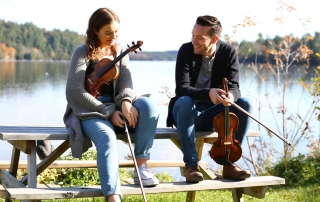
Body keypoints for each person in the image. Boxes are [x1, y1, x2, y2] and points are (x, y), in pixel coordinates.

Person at [63, 7, 159, 202]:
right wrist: (107, 111)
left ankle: (140, 168)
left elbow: (126, 82)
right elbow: (74, 90)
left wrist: (124, 101)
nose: (113, 37)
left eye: (116, 32)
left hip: (114, 105)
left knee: (149, 106)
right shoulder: (82, 52)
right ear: (95, 31)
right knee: (107, 137)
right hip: (89, 109)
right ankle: (113, 196)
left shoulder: (121, 51)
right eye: (108, 33)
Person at [166, 15, 252, 183]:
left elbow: (235, 86)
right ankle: (191, 166)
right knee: (184, 101)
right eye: (192, 35)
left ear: (214, 39)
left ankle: (229, 163)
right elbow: (181, 88)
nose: (194, 41)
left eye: (200, 38)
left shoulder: (228, 52)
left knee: (244, 104)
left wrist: (231, 96)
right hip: (186, 113)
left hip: (213, 114)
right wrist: (209, 93)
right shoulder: (186, 50)